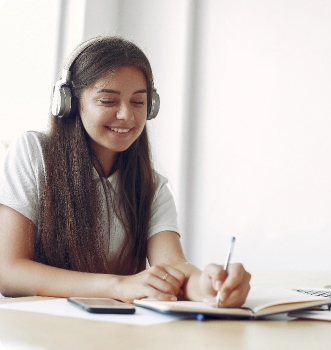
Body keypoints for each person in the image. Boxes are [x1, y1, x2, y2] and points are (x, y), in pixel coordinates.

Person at [0, 35, 250, 307]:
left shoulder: (151, 186)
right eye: (108, 101)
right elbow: (8, 271)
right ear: (69, 102)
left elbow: (173, 269)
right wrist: (117, 285)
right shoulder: (33, 153)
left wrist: (208, 286)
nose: (127, 116)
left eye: (138, 102)